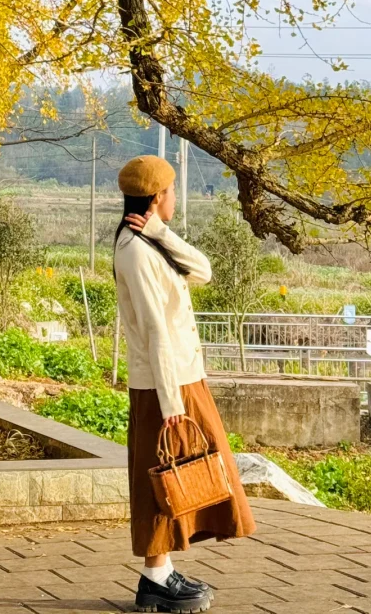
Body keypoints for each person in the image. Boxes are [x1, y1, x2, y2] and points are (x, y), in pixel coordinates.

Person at [114, 155, 254, 614]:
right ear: (158, 197)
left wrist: (161, 232)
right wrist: (172, 402)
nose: (177, 198)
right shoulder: (134, 252)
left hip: (179, 378)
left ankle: (163, 570)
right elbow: (154, 330)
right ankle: (154, 578)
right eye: (172, 192)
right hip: (163, 385)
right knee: (162, 477)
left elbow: (204, 270)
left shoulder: (150, 242)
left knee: (183, 473)